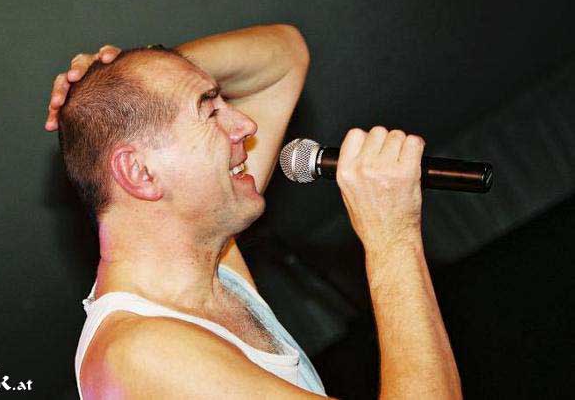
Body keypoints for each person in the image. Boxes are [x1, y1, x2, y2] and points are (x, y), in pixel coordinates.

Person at [45, 24, 462, 399]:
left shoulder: (212, 266)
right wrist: (392, 237)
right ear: (140, 172)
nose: (245, 125)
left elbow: (284, 56)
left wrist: (125, 76)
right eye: (210, 111)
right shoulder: (143, 352)